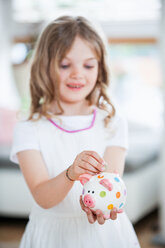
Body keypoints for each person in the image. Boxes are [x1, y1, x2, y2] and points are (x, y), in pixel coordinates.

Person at [10, 15, 140, 248]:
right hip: (51, 236)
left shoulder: (113, 122)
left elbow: (109, 183)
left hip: (105, 236)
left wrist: (102, 203)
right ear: (45, 66)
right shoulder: (28, 128)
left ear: (100, 69)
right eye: (64, 64)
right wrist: (71, 173)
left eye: (88, 65)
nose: (77, 73)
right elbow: (43, 197)